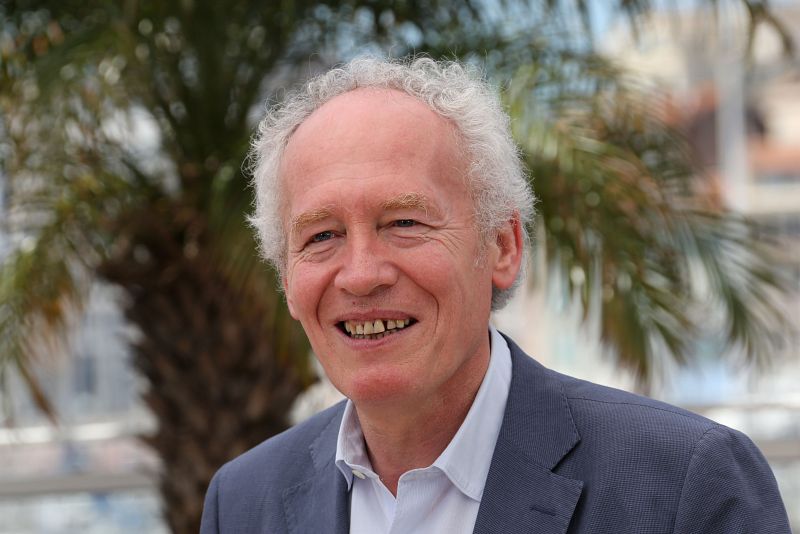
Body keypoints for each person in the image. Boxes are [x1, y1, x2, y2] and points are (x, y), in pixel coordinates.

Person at [200, 57, 790, 534]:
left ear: (503, 247)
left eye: (404, 222)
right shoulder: (245, 501)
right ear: (287, 280)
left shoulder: (683, 485)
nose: (360, 275)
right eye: (322, 236)